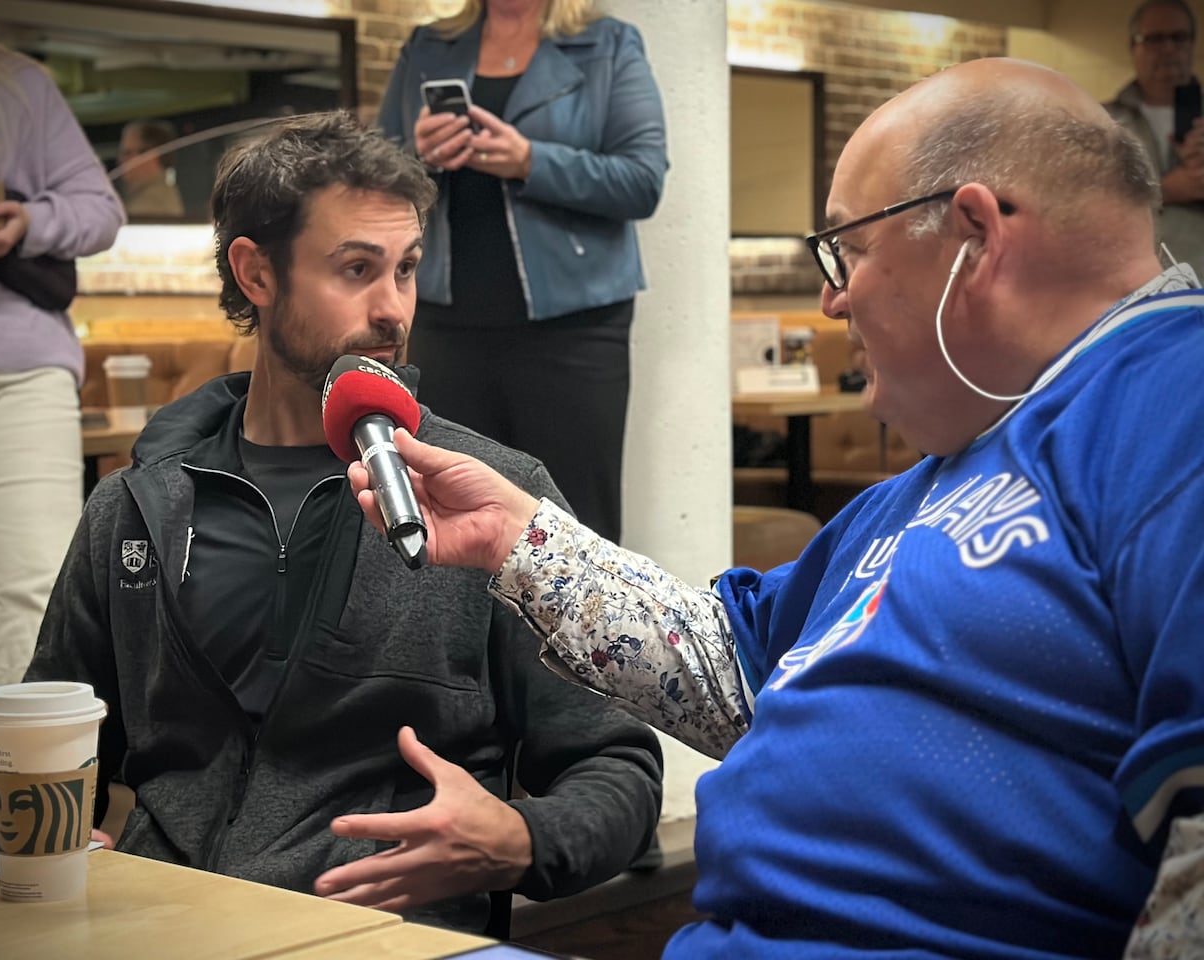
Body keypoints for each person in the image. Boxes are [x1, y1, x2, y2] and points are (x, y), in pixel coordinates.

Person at [350, 57, 1204, 958]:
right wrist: (520, 538)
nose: (832, 299)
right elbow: (732, 669)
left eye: (849, 250)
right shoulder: (943, 466)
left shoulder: (1172, 400)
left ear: (974, 236)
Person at [0, 110, 662, 936]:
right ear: (255, 273)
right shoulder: (136, 505)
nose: (392, 307)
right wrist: (44, 826)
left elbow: (616, 768)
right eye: (356, 269)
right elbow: (30, 745)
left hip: (382, 938)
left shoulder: (495, 496)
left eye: (404, 269)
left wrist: (519, 837)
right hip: (156, 929)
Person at [0, 0, 124, 815]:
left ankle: (35, 800)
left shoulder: (21, 87)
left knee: (34, 593)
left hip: (26, 370)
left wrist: (29, 222)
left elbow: (101, 212)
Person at [376, 0, 668, 545]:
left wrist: (531, 160)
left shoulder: (608, 44)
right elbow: (376, 173)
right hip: (446, 319)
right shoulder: (428, 46)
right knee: (449, 512)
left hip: (575, 327)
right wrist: (421, 156)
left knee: (578, 522)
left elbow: (642, 179)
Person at [1105, 0, 1204, 275]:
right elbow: (1083, 203)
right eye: (1155, 39)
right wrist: (1168, 190)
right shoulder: (1101, 121)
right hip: (1127, 283)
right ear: (1133, 47)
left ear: (1192, 45)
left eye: (1178, 38)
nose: (1169, 49)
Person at [116, 118, 185, 219]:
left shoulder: (153, 202)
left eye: (127, 153)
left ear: (151, 156)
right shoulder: (146, 195)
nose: (121, 160)